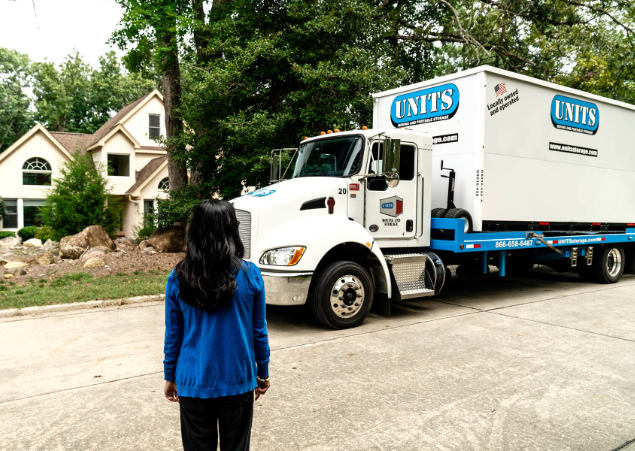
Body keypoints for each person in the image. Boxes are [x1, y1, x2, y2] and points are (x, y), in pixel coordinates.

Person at [163, 199, 271, 451]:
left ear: (195, 231)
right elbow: (259, 331)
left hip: (193, 382)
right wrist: (262, 372)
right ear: (232, 230)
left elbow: (173, 335)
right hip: (238, 379)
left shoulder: (178, 277)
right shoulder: (251, 274)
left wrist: (170, 375)